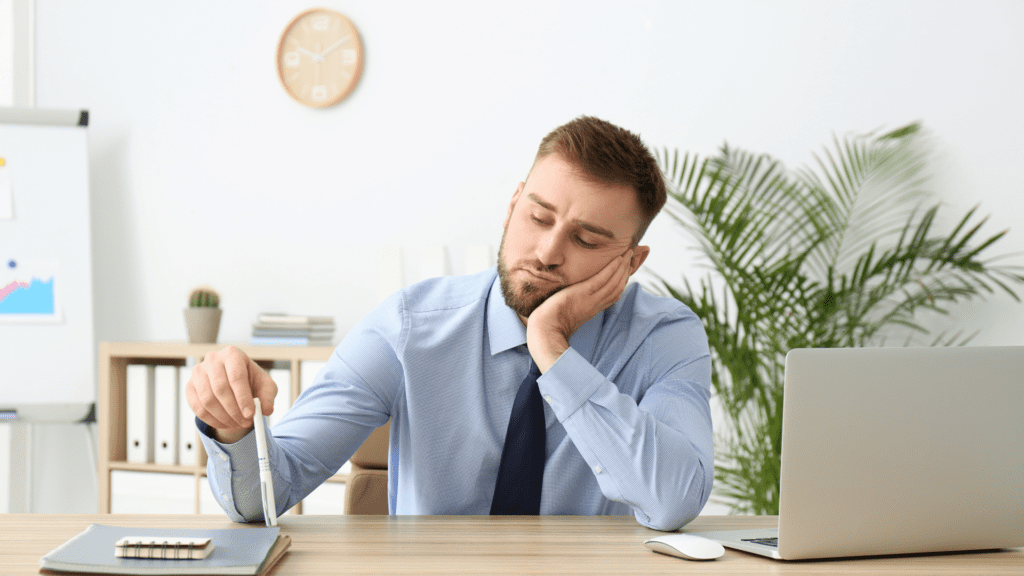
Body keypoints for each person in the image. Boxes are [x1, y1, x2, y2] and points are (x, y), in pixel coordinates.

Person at [186, 116, 713, 531]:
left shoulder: (663, 337)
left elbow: (673, 500)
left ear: (631, 263)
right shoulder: (409, 326)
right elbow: (266, 497)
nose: (548, 252)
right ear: (513, 205)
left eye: (587, 240)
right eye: (538, 217)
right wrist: (232, 428)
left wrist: (553, 350)